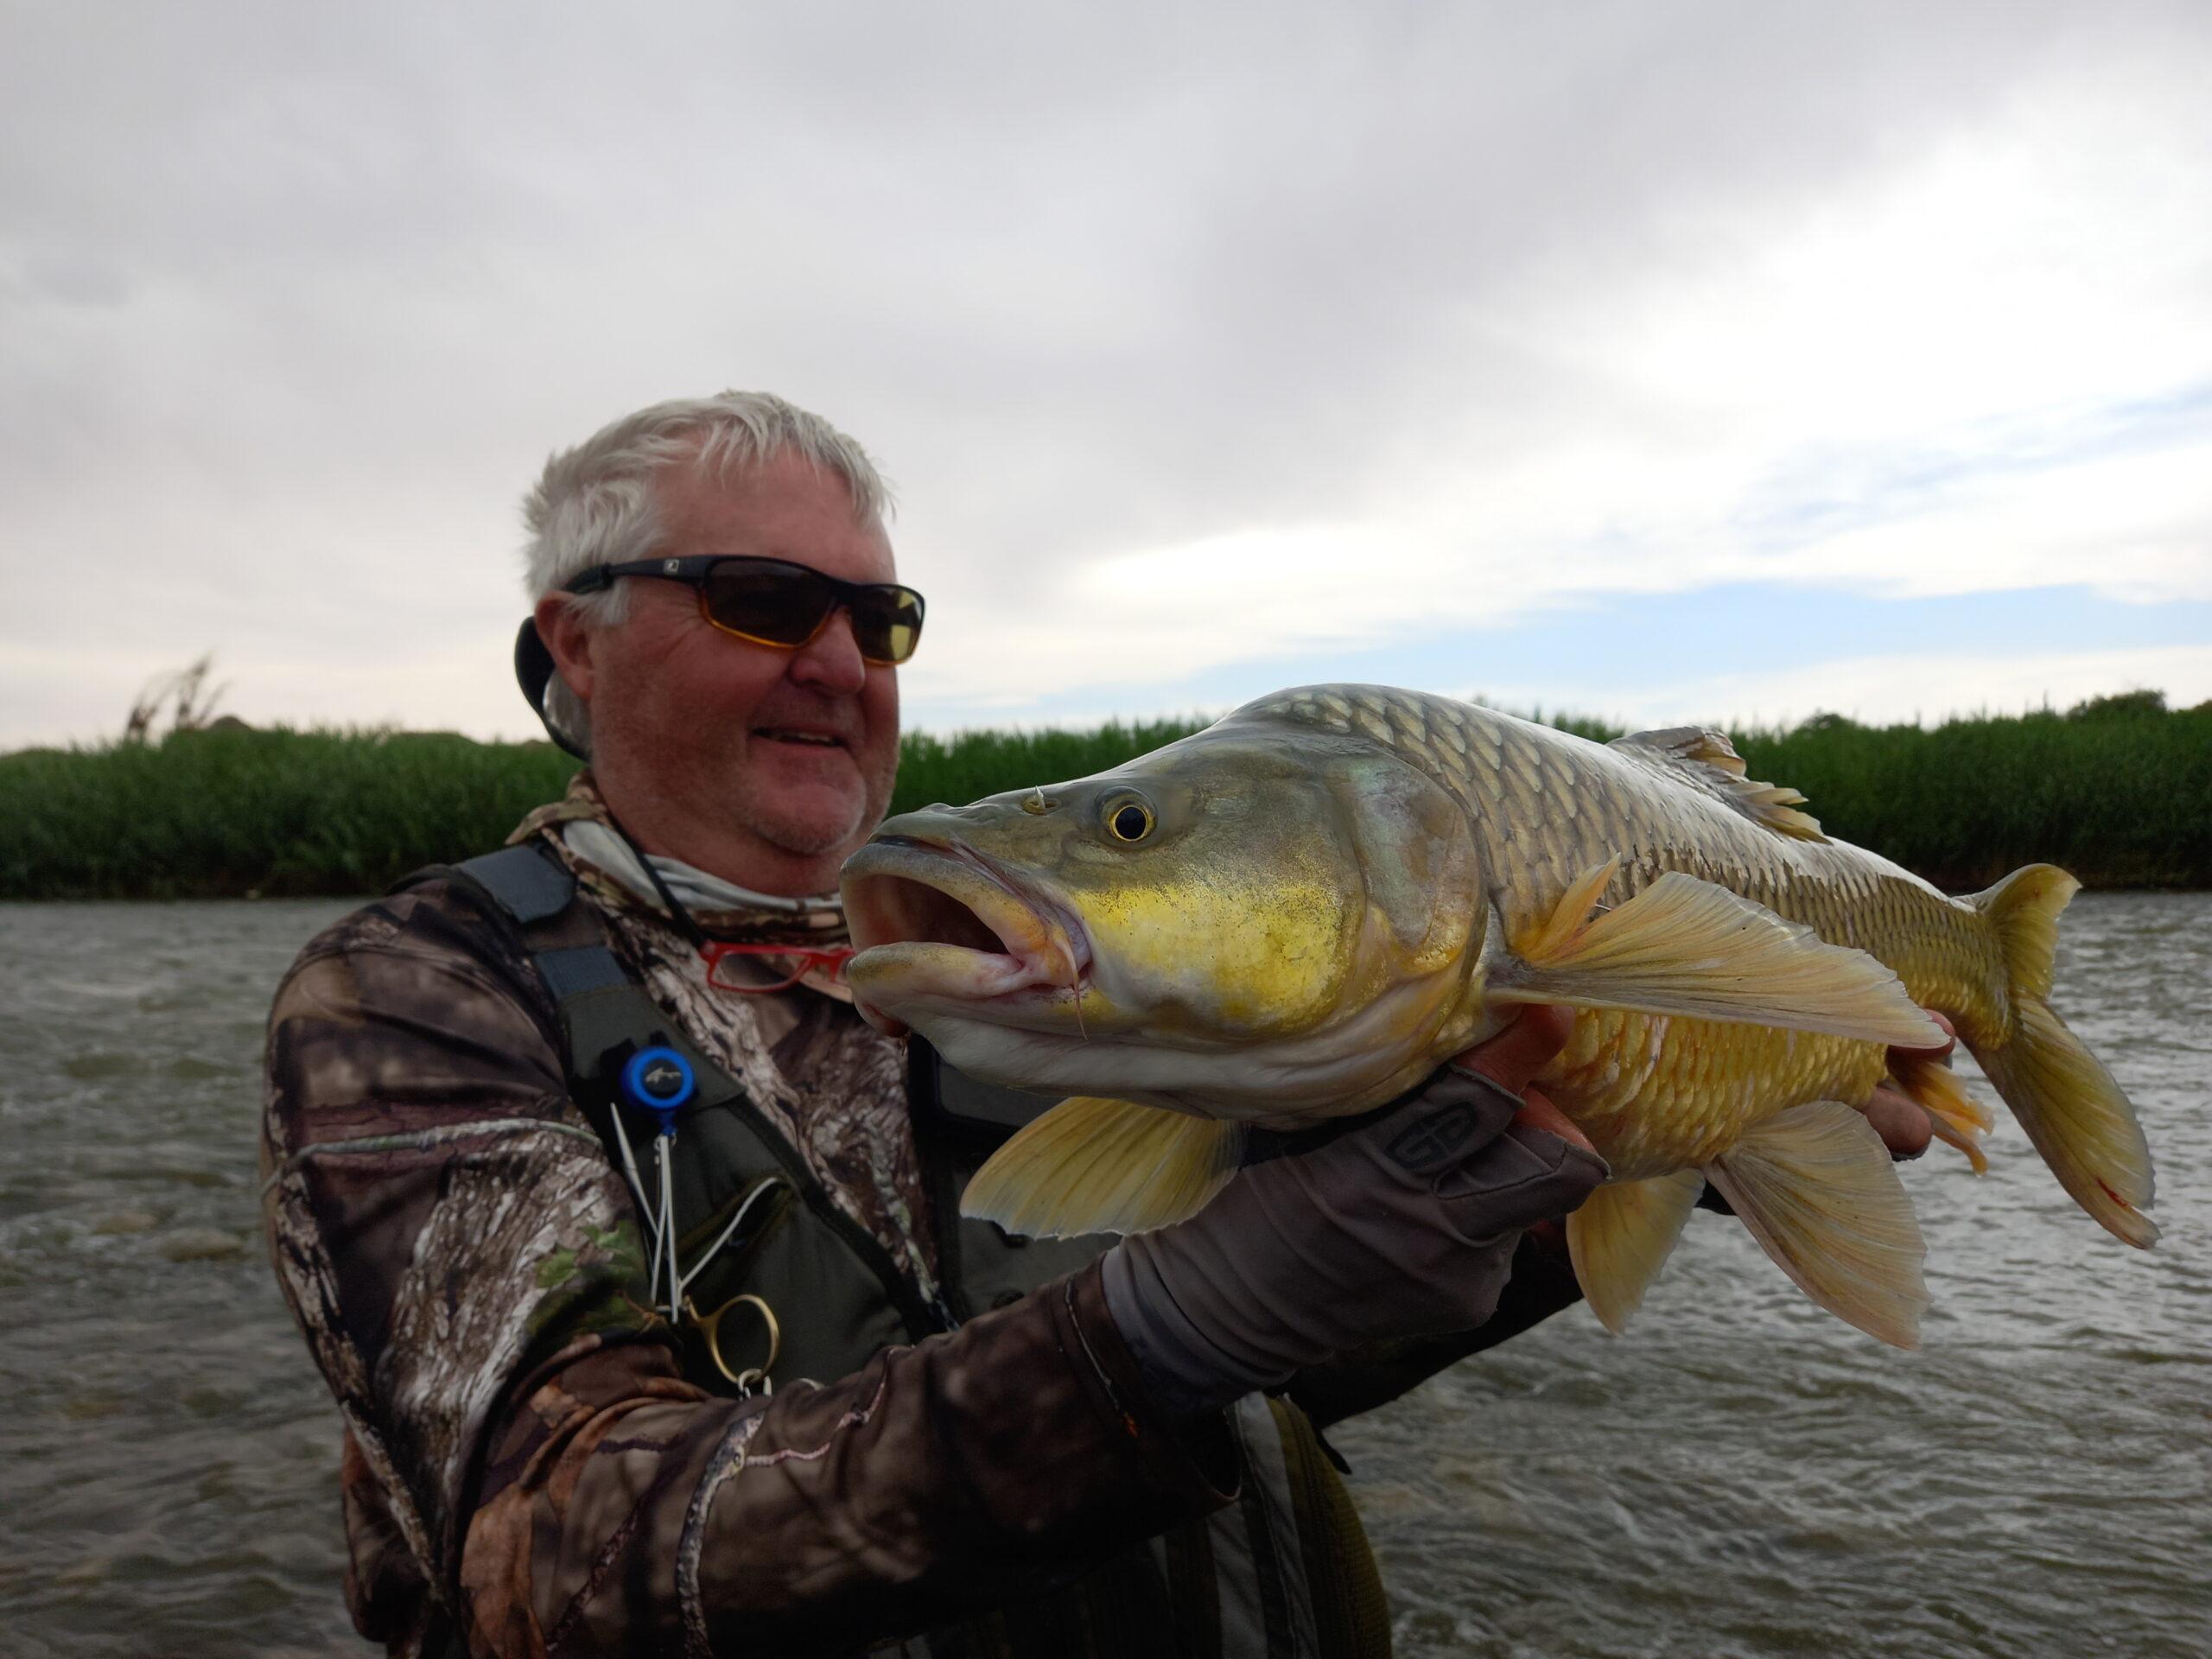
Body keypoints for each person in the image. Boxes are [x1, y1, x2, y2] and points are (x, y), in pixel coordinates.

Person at [261, 391, 1948, 1659]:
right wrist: (1157, 1335)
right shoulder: (418, 996)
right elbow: (549, 1560)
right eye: (767, 600)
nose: (841, 660)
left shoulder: (1045, 995)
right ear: (574, 638)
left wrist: (1571, 1180)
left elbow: (1288, 1351)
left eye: (879, 617)